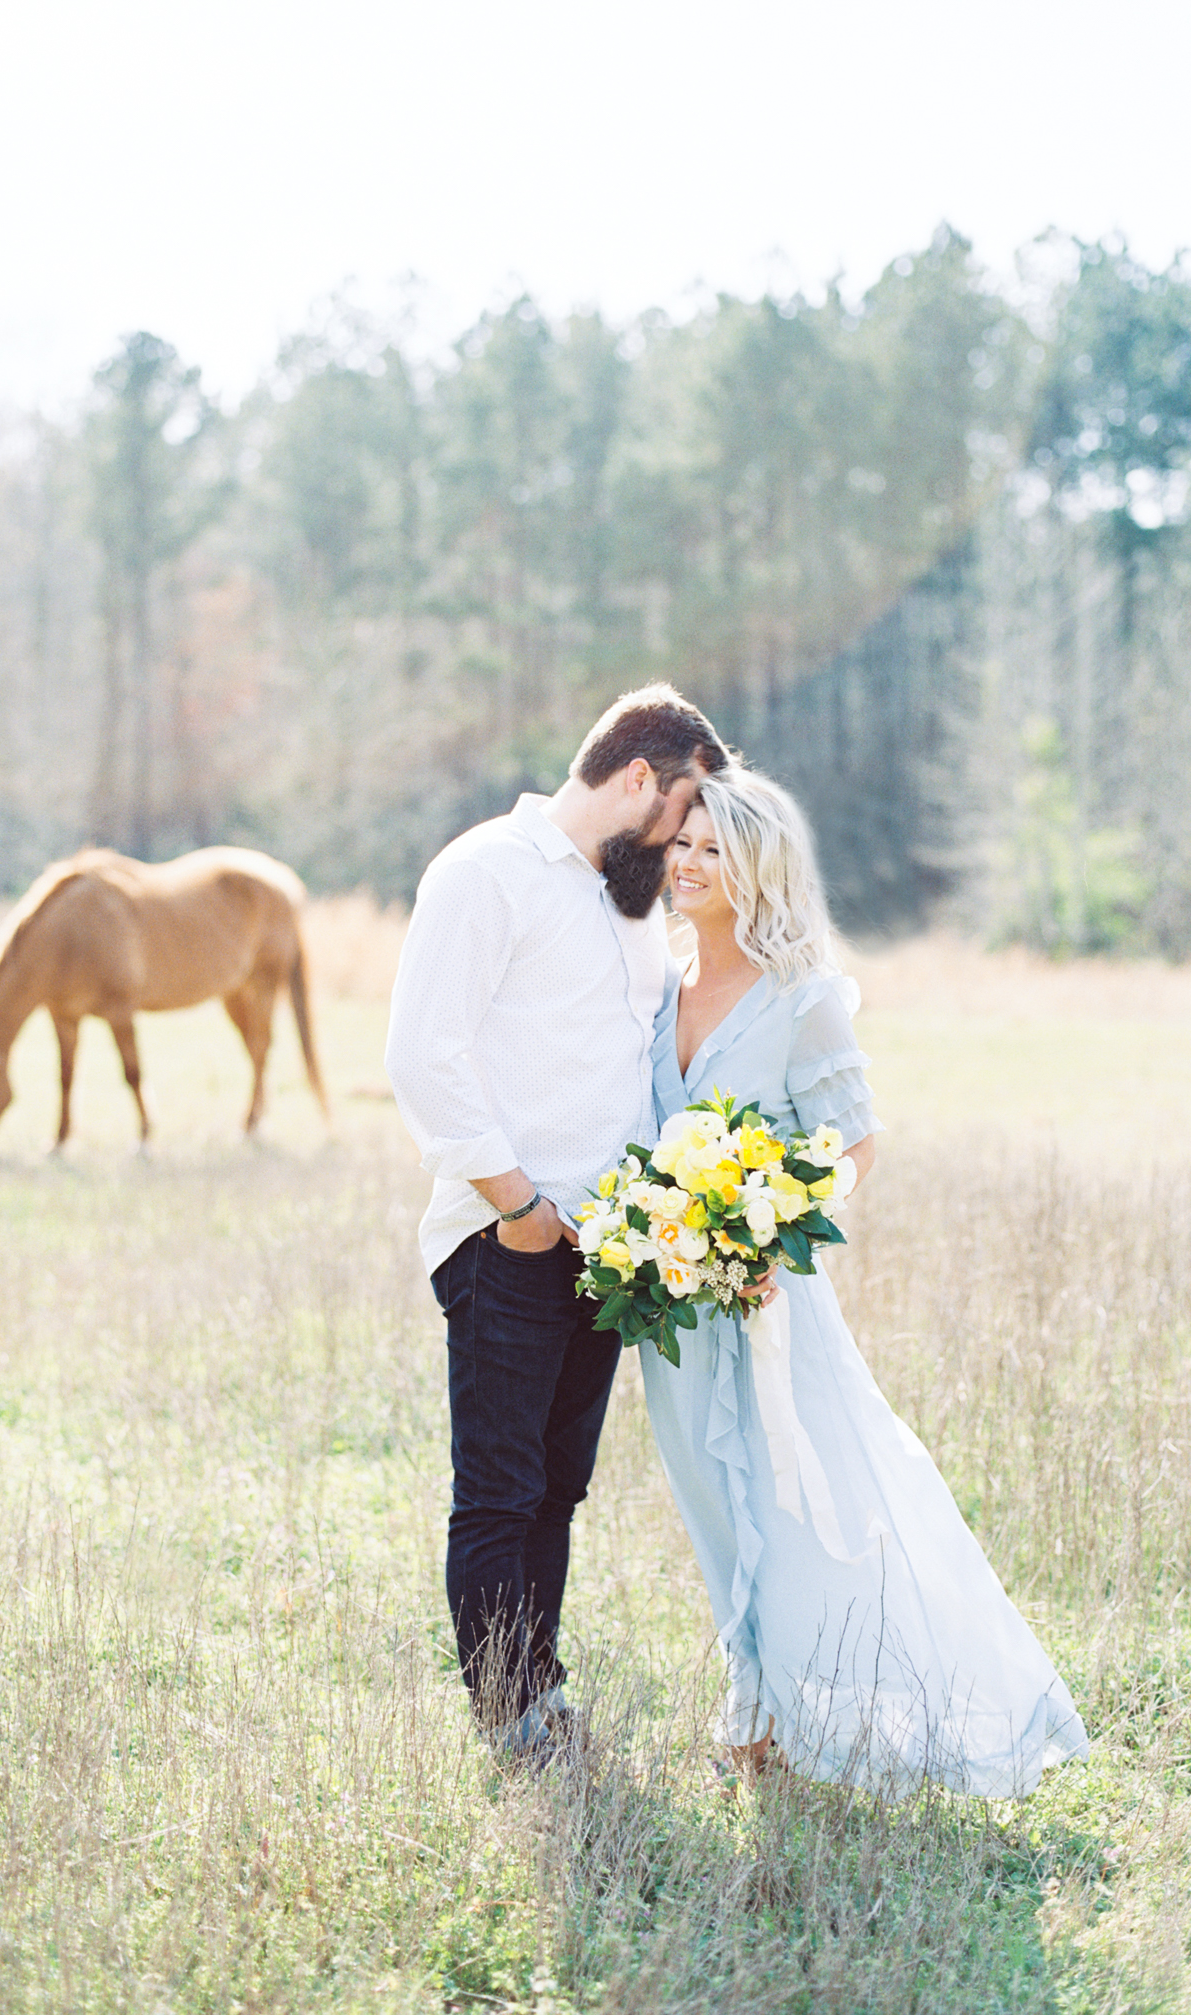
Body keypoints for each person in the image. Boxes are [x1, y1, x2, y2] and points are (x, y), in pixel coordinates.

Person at [644, 767, 1088, 1796]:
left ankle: (824, 1711)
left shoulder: (801, 996)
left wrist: (767, 1235)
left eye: (714, 847)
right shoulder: (654, 988)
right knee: (714, 1500)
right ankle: (753, 1709)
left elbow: (856, 1143)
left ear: (756, 864)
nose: (691, 863)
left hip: (767, 1304)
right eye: (682, 843)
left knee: (805, 1500)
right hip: (677, 1306)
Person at [385, 684, 730, 1759]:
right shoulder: (487, 871)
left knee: (559, 1488)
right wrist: (520, 1205)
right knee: (500, 1488)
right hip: (509, 1240)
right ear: (638, 779)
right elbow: (422, 1053)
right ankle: (506, 1717)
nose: (684, 843)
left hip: (606, 1252)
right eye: (684, 812)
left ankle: (540, 1691)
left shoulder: (623, 903)